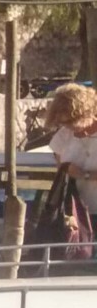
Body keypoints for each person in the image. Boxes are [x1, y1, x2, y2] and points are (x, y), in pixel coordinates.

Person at [45, 83, 97, 228]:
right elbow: (61, 169)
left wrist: (84, 175)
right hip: (74, 213)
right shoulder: (63, 135)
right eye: (61, 122)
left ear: (84, 112)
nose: (66, 126)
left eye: (69, 121)